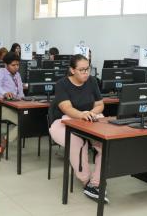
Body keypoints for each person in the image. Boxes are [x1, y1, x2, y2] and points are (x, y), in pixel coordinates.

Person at [48, 54, 108, 203]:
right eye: (82, 70)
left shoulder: (92, 81)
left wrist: (91, 113)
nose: (86, 73)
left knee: (105, 144)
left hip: (87, 120)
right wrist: (82, 114)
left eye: (88, 69)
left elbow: (100, 104)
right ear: (72, 70)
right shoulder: (62, 84)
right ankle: (86, 181)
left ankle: (96, 183)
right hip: (61, 122)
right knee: (77, 141)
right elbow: (66, 107)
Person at [0, 52, 24, 154]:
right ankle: (5, 141)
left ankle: (6, 138)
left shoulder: (17, 75)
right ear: (6, 65)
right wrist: (5, 93)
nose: (16, 67)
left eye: (18, 65)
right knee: (23, 122)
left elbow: (21, 92)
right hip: (0, 107)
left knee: (27, 120)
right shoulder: (1, 72)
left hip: (15, 106)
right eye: (13, 65)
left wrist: (24, 100)